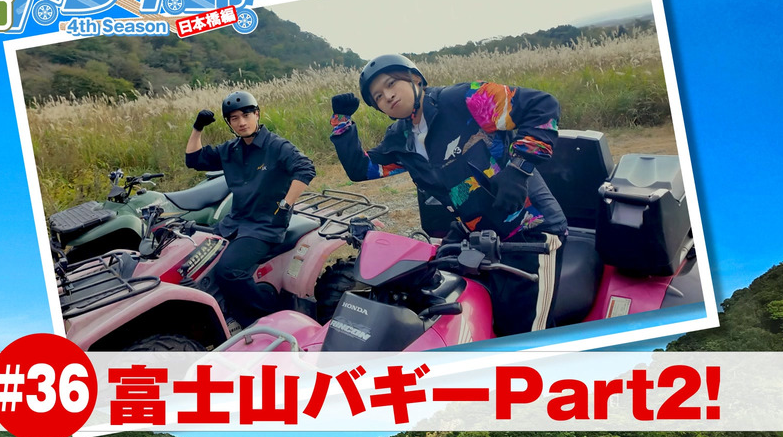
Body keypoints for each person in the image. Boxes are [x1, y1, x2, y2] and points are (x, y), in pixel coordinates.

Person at [329, 54, 568, 336]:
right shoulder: (401, 137)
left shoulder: (464, 100)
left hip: (531, 231)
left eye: (391, 83)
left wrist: (519, 168)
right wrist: (341, 122)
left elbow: (542, 106)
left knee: (524, 333)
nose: (388, 96)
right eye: (378, 96)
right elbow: (363, 169)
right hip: (479, 236)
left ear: (415, 79)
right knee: (453, 309)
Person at [186, 90, 316, 329]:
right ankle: (225, 313)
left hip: (264, 225)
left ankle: (269, 315)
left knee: (229, 270)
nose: (241, 122)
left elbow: (305, 168)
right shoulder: (231, 149)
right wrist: (198, 127)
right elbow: (193, 160)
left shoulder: (276, 146)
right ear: (229, 123)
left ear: (257, 114)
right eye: (234, 118)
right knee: (196, 257)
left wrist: (286, 203)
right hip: (235, 221)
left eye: (246, 115)